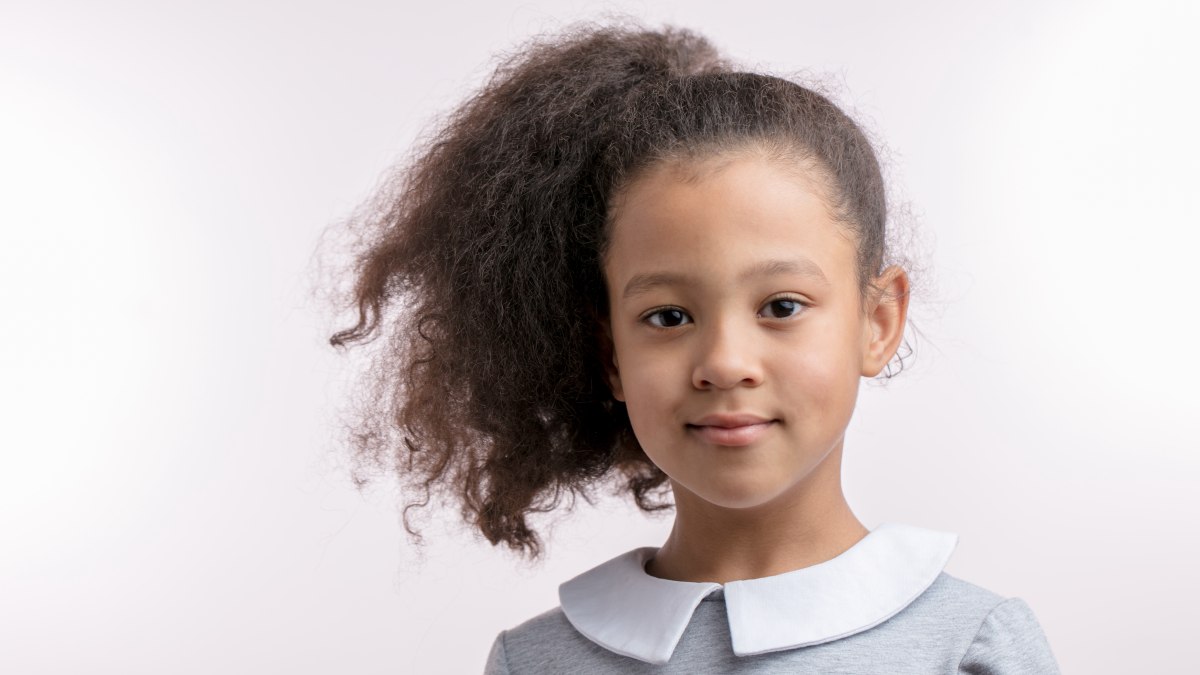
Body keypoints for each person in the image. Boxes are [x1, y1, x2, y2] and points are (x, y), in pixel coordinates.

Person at [327, 17, 1062, 674]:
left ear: (878, 321)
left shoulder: (971, 647)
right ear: (609, 349)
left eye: (781, 305)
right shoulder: (537, 662)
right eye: (669, 316)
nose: (724, 363)